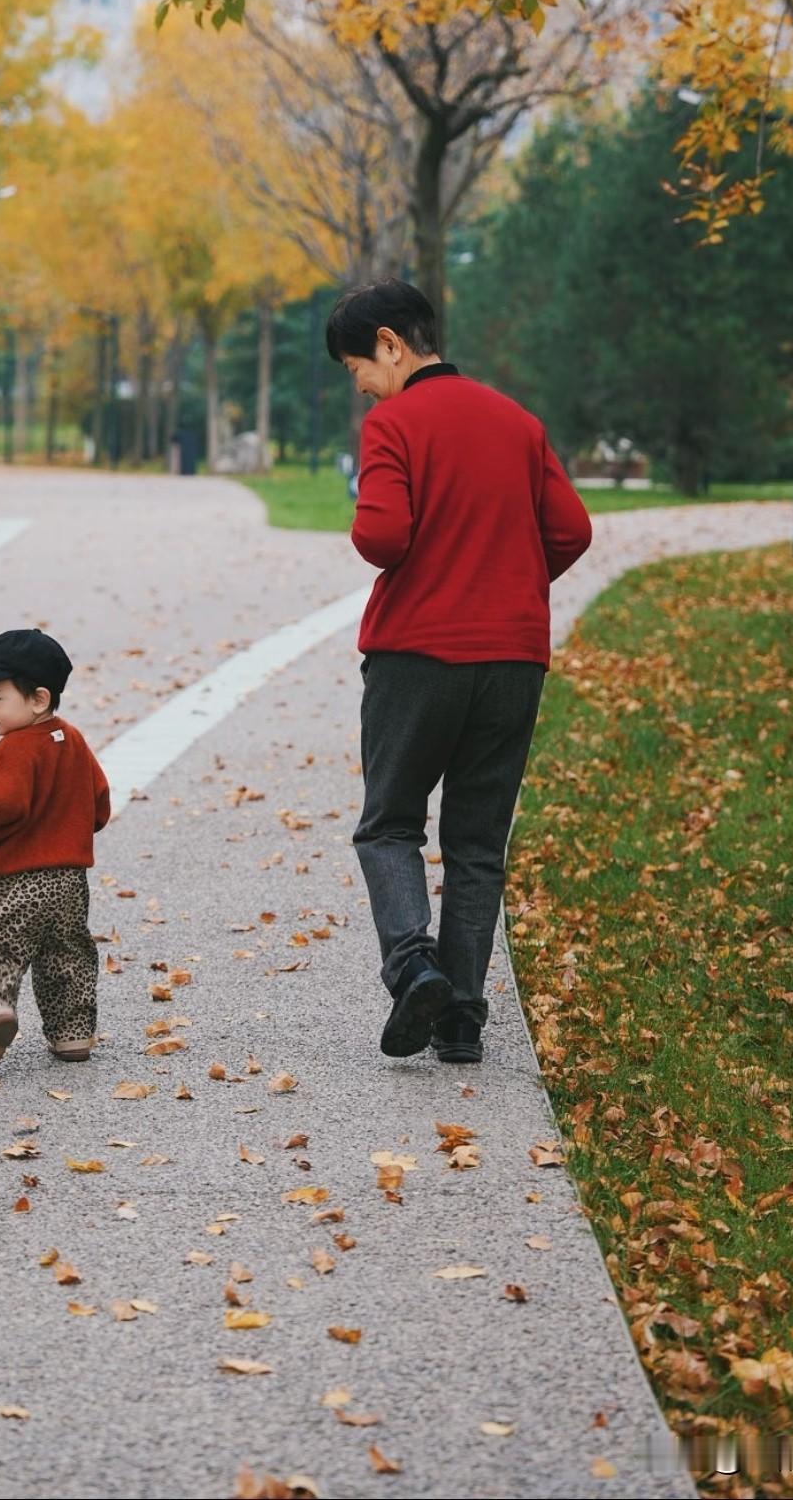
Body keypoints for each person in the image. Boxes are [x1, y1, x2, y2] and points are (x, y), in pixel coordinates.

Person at [327, 280, 592, 1063]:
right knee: (477, 842)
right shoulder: (517, 421)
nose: (363, 386)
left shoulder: (394, 422)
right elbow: (571, 530)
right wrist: (508, 580)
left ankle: (412, 966)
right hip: (513, 658)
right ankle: (463, 1018)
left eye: (358, 369)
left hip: (418, 654)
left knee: (390, 823)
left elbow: (382, 535)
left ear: (389, 343)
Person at [0, 628, 111, 1077]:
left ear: (38, 699)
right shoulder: (72, 741)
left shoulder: (15, 749)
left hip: (11, 879)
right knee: (66, 955)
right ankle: (72, 1033)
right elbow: (99, 803)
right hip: (68, 881)